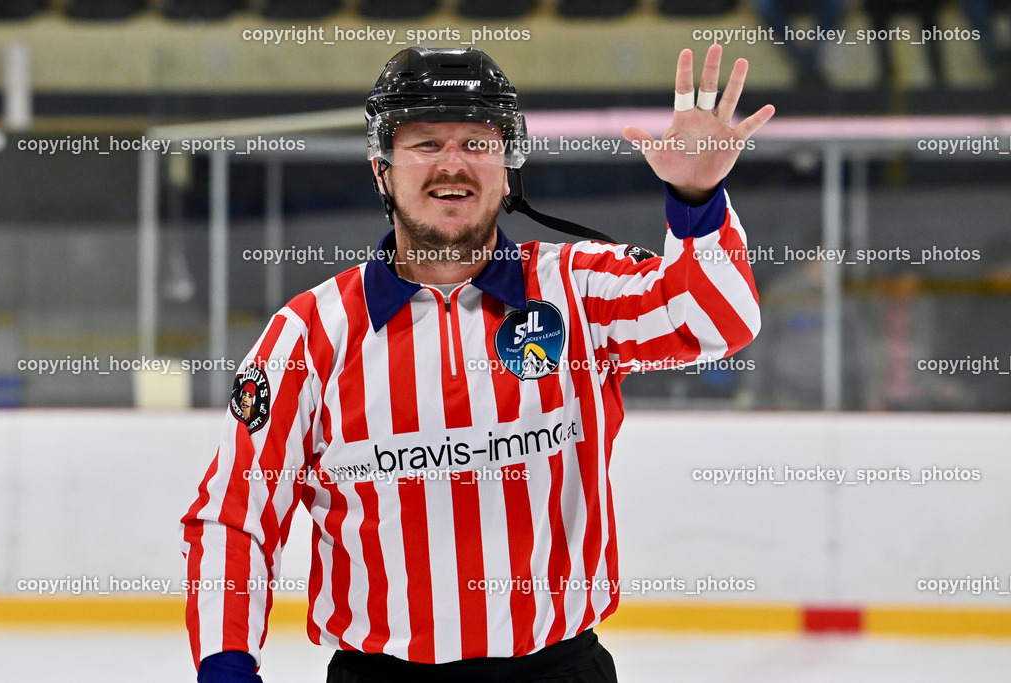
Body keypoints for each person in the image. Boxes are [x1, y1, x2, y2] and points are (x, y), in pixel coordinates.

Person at [181, 44, 772, 683]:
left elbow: (717, 322)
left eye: (476, 142)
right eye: (425, 143)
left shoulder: (577, 290)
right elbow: (233, 518)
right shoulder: (308, 335)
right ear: (381, 169)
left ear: (509, 165)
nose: (452, 163)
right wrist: (227, 666)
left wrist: (698, 202)